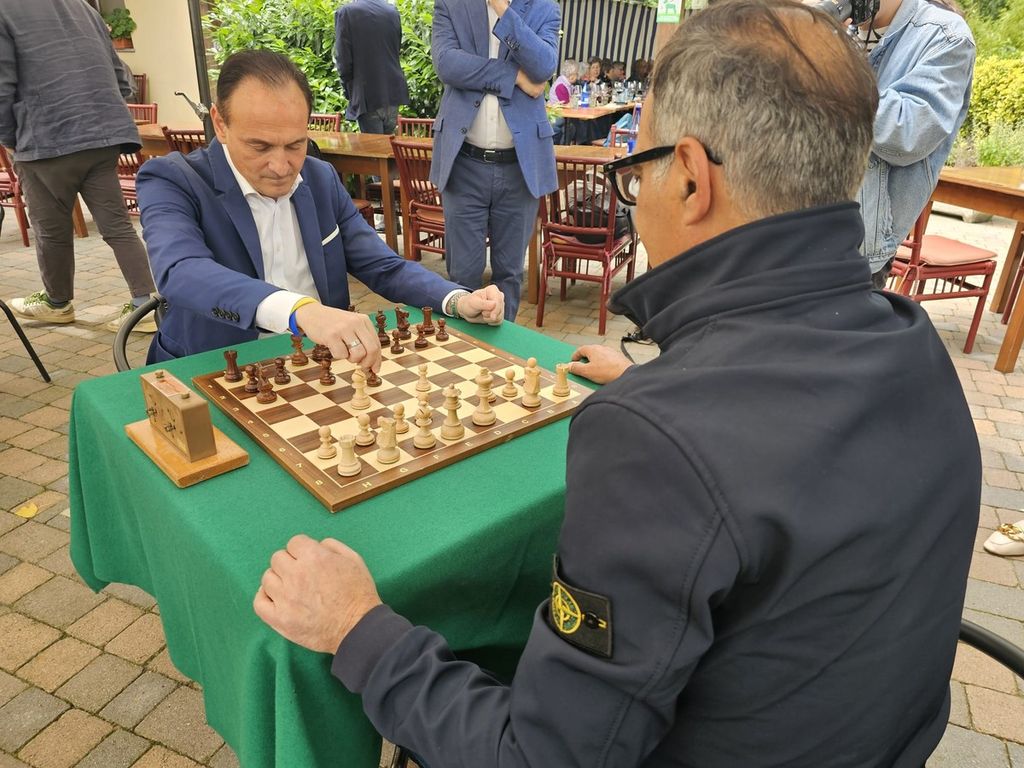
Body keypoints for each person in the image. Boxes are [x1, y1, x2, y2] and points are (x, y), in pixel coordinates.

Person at [253, 1, 981, 765]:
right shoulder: (911, 342)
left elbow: (543, 759)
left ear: (691, 180)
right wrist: (668, 378)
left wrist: (359, 629)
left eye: (638, 164)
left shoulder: (654, 438)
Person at [136, 50, 503, 365]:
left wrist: (457, 300)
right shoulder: (173, 179)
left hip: (318, 363)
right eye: (260, 147)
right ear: (220, 123)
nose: (281, 166)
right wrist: (300, 311)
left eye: (295, 144)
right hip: (212, 367)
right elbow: (181, 271)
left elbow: (383, 266)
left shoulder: (320, 177)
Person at [0, 0, 157, 332]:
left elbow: (2, 84)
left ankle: (57, 303)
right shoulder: (83, 7)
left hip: (44, 134)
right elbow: (122, 78)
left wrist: (9, 138)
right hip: (102, 133)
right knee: (118, 226)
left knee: (51, 230)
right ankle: (147, 306)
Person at [428, 0, 561, 321]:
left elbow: (543, 66)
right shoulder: (452, 4)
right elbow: (447, 64)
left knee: (509, 274)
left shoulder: (544, 7)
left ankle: (503, 349)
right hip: (463, 163)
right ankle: (461, 349)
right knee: (462, 275)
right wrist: (513, 76)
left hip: (520, 167)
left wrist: (503, 10)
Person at [854, 0, 975, 286]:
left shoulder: (946, 35)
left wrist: (828, 63)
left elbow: (906, 133)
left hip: (856, 252)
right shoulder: (832, 27)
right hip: (786, 232)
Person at [333, 0, 410, 135]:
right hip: (393, 92)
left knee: (373, 147)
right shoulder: (392, 11)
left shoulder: (346, 13)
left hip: (367, 94)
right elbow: (396, 50)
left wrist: (348, 91)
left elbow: (343, 60)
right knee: (386, 145)